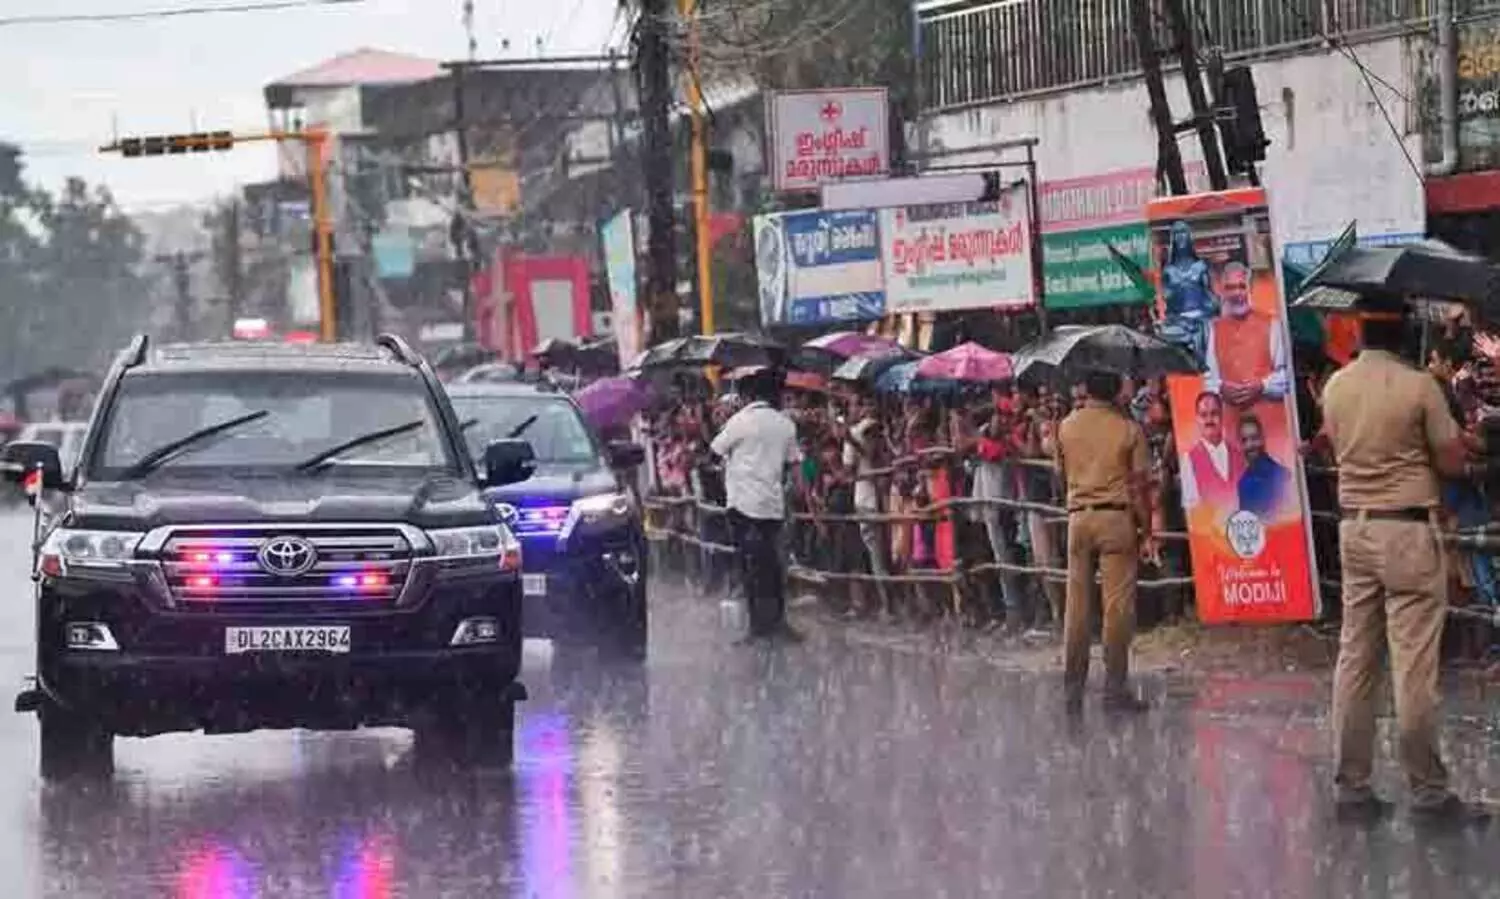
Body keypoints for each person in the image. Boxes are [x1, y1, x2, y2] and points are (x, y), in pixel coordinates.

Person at [1315, 303, 1487, 823]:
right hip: (1408, 531)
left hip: (1355, 528)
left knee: (1356, 658)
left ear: (1362, 330)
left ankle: (1352, 787)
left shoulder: (1336, 387)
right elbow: (1451, 460)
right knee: (1412, 665)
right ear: (1405, 329)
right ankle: (1429, 793)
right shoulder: (1419, 387)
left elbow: (1341, 445)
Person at [1053, 369, 1154, 713]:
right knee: (1117, 609)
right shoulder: (1129, 429)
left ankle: (1072, 687)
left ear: (1087, 390)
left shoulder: (1066, 426)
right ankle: (1114, 688)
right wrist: (1148, 528)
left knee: (1076, 607)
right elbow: (1140, 485)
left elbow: (1059, 472)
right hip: (1116, 518)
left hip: (1078, 517)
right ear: (1115, 393)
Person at [710, 369, 802, 642]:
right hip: (772, 507)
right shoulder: (786, 425)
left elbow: (714, 451)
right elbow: (795, 469)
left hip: (741, 507)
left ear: (748, 395)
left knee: (749, 566)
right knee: (773, 566)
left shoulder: (739, 422)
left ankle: (757, 626)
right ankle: (778, 622)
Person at [1203, 261, 1290, 408]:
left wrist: (1262, 386)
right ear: (1222, 292)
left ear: (1250, 289)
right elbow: (1209, 379)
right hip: (1230, 421)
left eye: (1241, 286)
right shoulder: (1213, 329)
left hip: (1272, 419)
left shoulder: (1272, 324)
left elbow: (1286, 376)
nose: (1236, 293)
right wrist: (1221, 388)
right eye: (1230, 288)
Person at [1178, 391, 1245, 512]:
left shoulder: (1240, 454)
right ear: (1197, 419)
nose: (1209, 420)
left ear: (1222, 416)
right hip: (1210, 529)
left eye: (1214, 414)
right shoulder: (1189, 459)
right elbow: (1192, 510)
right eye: (1204, 415)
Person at [1235, 414, 1291, 520]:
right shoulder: (1242, 484)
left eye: (1254, 438)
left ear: (1263, 438)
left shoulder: (1283, 477)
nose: (1249, 445)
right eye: (1244, 440)